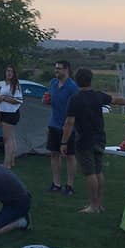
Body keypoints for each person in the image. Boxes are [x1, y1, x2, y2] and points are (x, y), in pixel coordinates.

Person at [61, 68, 125, 214]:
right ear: (90, 80)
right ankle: (99, 204)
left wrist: (64, 142)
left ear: (76, 81)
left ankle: (93, 206)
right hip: (100, 138)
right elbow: (116, 100)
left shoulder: (75, 99)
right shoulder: (98, 96)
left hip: (84, 140)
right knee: (98, 171)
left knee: (90, 173)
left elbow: (69, 122)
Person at [46, 60, 79, 195]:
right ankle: (56, 183)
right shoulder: (53, 83)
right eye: (56, 68)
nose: (56, 71)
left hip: (68, 126)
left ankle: (70, 186)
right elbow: (51, 99)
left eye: (59, 68)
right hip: (54, 124)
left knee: (70, 155)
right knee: (54, 154)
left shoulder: (72, 87)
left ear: (66, 70)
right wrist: (46, 101)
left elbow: (76, 108)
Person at [0, 65, 23, 169]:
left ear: (14, 74)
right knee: (11, 137)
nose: (9, 73)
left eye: (11, 71)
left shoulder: (15, 85)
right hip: (4, 112)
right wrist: (0, 99)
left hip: (11, 113)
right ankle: (11, 161)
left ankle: (6, 164)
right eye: (8, 71)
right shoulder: (4, 84)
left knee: (7, 139)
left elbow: (18, 100)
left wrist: (3, 98)